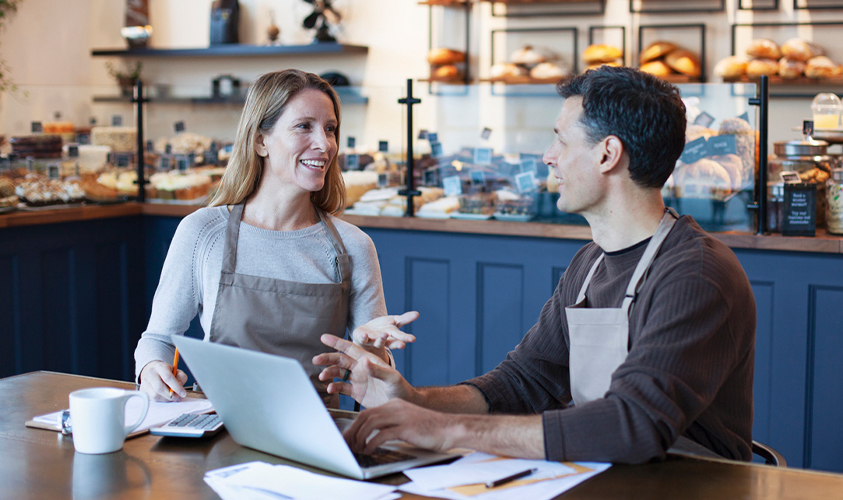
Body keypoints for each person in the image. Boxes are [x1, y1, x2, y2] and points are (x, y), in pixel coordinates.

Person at [313, 66, 756, 463]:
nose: (548, 155)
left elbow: (632, 425)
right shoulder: (590, 264)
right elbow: (522, 384)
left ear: (608, 154)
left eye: (561, 139)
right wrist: (412, 400)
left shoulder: (695, 275)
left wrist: (448, 431)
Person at [135, 69, 415, 405]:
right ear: (260, 141)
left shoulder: (353, 247)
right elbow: (159, 339)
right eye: (304, 126)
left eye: (330, 129)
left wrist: (371, 350)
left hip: (318, 435)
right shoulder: (202, 233)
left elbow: (376, 385)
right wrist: (152, 367)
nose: (324, 144)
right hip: (219, 428)